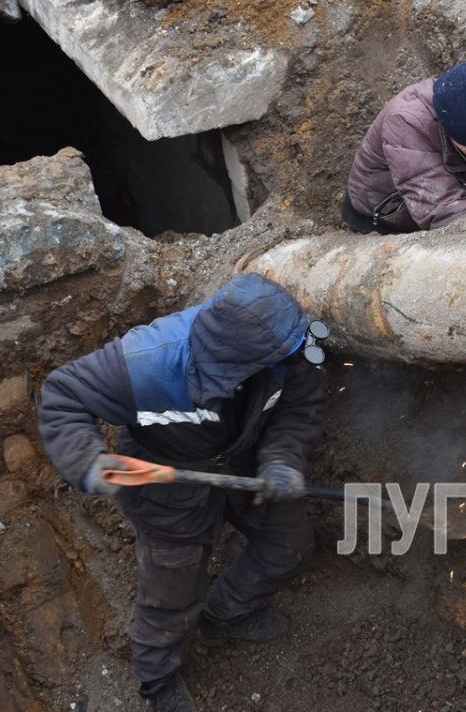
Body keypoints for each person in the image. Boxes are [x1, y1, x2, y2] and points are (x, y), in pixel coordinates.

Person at [37, 274, 327, 712]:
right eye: (284, 356)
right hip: (167, 481)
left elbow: (299, 409)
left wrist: (283, 459)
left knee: (287, 545)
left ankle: (222, 616)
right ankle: (157, 681)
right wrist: (87, 459)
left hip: (246, 467)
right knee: (172, 592)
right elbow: (63, 397)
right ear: (236, 362)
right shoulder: (147, 363)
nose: (296, 359)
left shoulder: (289, 349)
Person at [344, 61, 466, 233]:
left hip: (464, 205)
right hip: (387, 220)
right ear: (447, 131)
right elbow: (441, 207)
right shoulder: (407, 124)